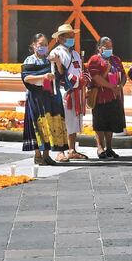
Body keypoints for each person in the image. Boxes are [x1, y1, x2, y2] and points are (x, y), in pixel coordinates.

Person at [21, 33, 69, 165]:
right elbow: (26, 78)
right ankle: (38, 155)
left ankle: (47, 154)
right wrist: (43, 77)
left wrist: (58, 62)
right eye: (40, 45)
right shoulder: (30, 60)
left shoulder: (50, 60)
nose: (43, 47)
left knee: (49, 124)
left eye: (46, 45)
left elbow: (60, 74)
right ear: (34, 45)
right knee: (38, 124)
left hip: (49, 97)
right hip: (36, 97)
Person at [49, 23, 88, 160]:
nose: (71, 38)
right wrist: (74, 80)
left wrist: (83, 80)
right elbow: (56, 74)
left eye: (72, 35)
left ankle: (72, 149)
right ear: (59, 38)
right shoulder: (55, 53)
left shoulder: (76, 54)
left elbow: (82, 70)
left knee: (73, 121)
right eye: (68, 36)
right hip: (63, 91)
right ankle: (60, 151)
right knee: (62, 121)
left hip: (76, 91)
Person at [86, 36, 126, 160]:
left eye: (111, 47)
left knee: (111, 123)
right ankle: (100, 147)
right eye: (106, 47)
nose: (109, 49)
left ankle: (109, 148)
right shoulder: (95, 60)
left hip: (114, 96)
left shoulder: (116, 59)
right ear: (99, 48)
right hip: (100, 96)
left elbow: (123, 74)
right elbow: (96, 78)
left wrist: (120, 85)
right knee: (100, 123)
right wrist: (111, 86)